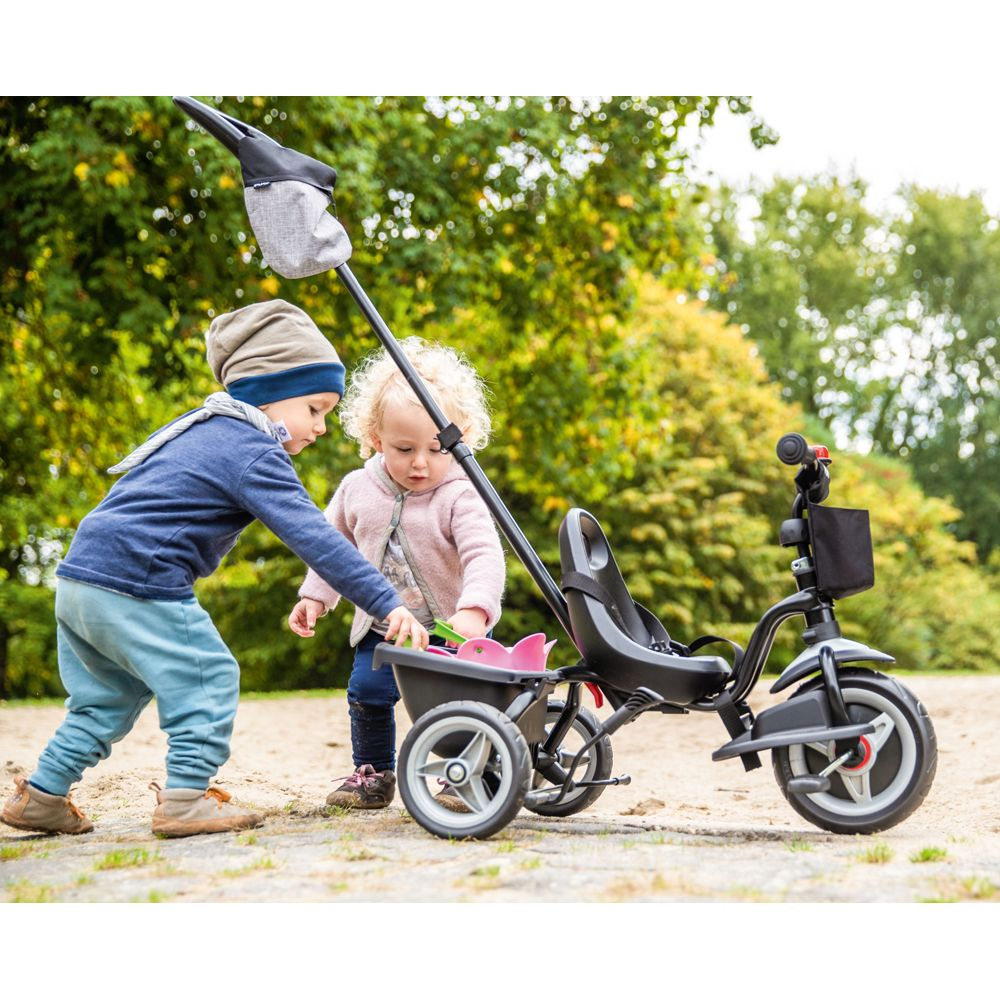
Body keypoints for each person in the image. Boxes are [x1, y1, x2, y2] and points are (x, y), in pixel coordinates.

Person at [1, 300, 428, 839]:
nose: (321, 427)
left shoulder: (203, 430)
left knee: (106, 698)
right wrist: (386, 601)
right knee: (209, 678)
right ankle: (185, 799)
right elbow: (317, 539)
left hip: (81, 579)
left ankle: (43, 795)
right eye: (314, 408)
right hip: (140, 581)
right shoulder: (251, 448)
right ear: (269, 391)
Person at [288, 337, 505, 811]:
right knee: (366, 692)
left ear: (460, 439)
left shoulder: (461, 493)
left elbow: (484, 555)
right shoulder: (357, 489)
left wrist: (475, 610)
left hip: (452, 628)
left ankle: (466, 773)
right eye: (404, 448)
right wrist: (315, 597)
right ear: (375, 438)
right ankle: (373, 774)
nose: (420, 463)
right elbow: (332, 549)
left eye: (436, 448)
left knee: (459, 702)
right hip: (384, 627)